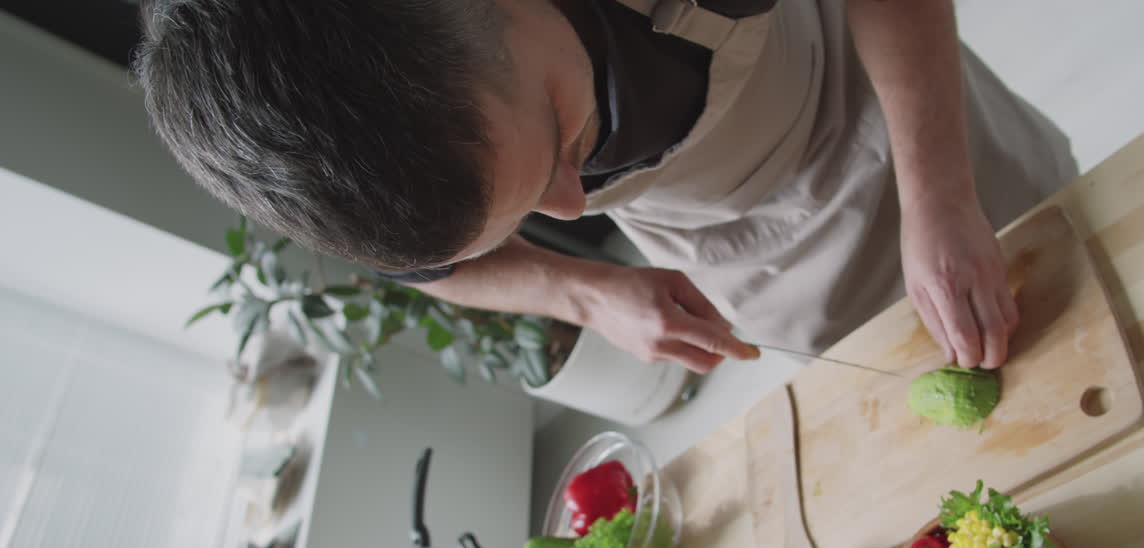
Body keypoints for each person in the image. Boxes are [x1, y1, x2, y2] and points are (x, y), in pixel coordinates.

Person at [134, 0, 1076, 375]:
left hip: (876, 103)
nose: (580, 207)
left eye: (555, 144)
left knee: (1071, 277)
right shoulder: (350, 154)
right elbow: (424, 272)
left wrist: (940, 190)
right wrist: (584, 289)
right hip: (736, 250)